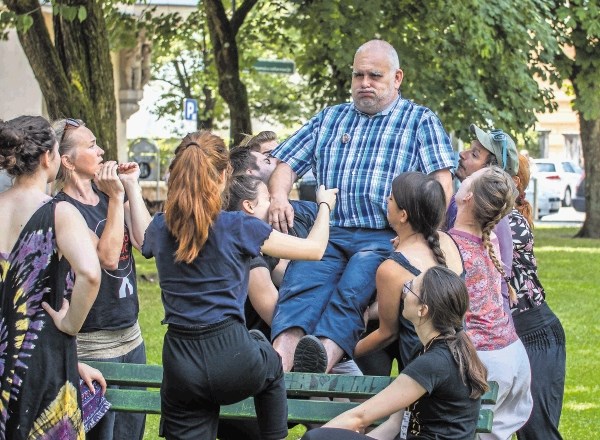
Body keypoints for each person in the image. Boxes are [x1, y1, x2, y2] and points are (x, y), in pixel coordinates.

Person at [268, 39, 455, 373]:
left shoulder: (420, 121)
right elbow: (285, 163)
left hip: (384, 236)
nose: (365, 83)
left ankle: (320, 360)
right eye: (358, 76)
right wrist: (280, 196)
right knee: (299, 289)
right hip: (330, 231)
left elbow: (441, 184)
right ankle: (275, 368)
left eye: (374, 76)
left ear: (397, 78)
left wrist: (423, 236)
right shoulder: (330, 118)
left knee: (352, 292)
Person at [140, 130, 338, 440]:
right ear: (222, 177)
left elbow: (144, 241)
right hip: (232, 355)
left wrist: (125, 189)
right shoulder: (238, 226)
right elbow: (314, 250)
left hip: (180, 364)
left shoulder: (160, 227)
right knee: (272, 366)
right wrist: (324, 205)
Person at [0, 116, 102, 439]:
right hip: (42, 363)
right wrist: (70, 325)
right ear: (48, 157)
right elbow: (89, 273)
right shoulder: (59, 212)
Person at [301, 266, 488, 440]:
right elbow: (395, 424)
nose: (402, 294)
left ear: (423, 310)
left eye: (409, 288)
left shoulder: (434, 362)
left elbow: (359, 417)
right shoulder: (435, 353)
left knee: (315, 437)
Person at [53, 118, 151, 440]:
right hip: (92, 347)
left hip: (131, 337)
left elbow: (145, 241)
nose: (102, 150)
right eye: (92, 145)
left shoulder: (107, 192)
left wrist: (131, 186)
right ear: (67, 161)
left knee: (131, 433)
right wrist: (114, 199)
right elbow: (106, 258)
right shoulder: (62, 209)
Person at [449, 166, 533, 439]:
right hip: (513, 354)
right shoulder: (490, 239)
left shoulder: (449, 245)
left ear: (468, 196)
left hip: (485, 361)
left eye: (468, 180)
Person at [354, 172, 464, 372]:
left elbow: (387, 333)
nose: (387, 200)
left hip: (422, 369)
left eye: (391, 198)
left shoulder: (393, 268)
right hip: (459, 358)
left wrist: (344, 354)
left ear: (403, 215)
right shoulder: (448, 243)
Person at [510, 154, 566, 440]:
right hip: (505, 339)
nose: (463, 156)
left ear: (512, 181)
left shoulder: (511, 224)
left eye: (475, 154)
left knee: (537, 432)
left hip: (536, 336)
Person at [446, 124, 520, 313]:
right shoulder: (494, 214)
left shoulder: (466, 212)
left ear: (489, 172)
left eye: (475, 154)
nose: (463, 154)